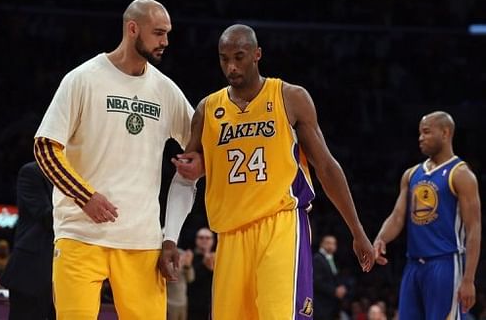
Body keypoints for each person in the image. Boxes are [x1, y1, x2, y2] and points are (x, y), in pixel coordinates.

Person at [161, 24, 375, 319]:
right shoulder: (207, 109)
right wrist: (171, 233)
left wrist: (357, 230)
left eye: (239, 56)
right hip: (230, 233)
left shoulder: (289, 97)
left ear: (257, 54)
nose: (231, 66)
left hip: (280, 225)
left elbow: (326, 166)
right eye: (224, 58)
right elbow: (188, 176)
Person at [34, 0, 194, 319]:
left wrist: (169, 237)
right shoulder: (83, 79)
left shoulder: (166, 91)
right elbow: (45, 148)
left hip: (142, 241)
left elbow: (198, 155)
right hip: (80, 235)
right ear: (132, 28)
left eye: (167, 33)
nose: (165, 42)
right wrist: (85, 196)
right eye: (158, 33)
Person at [373, 111, 481, 320]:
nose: (420, 138)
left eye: (426, 132)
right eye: (419, 133)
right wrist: (381, 238)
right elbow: (397, 217)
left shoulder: (461, 174)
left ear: (445, 133)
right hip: (413, 264)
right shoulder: (412, 174)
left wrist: (469, 279)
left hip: (446, 263)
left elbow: (474, 229)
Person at [0, 161, 55, 320]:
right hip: (32, 272)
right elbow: (46, 216)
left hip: (67, 272)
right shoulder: (32, 172)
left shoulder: (83, 174)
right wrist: (84, 204)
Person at [313, 235, 347, 320]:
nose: (331, 246)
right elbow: (316, 282)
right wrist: (334, 291)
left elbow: (334, 278)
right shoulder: (318, 259)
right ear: (322, 244)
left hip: (331, 305)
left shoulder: (330, 259)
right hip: (321, 305)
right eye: (328, 243)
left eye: (333, 243)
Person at [187, 228, 215, 320]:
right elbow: (189, 279)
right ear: (196, 239)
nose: (204, 240)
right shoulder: (189, 257)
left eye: (207, 238)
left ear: (212, 240)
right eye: (201, 238)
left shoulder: (218, 257)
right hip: (192, 304)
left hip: (211, 304)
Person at [167, 249, 194, 320]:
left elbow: (190, 279)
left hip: (183, 302)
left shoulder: (182, 254)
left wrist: (188, 266)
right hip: (170, 303)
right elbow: (168, 280)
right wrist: (175, 269)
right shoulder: (167, 257)